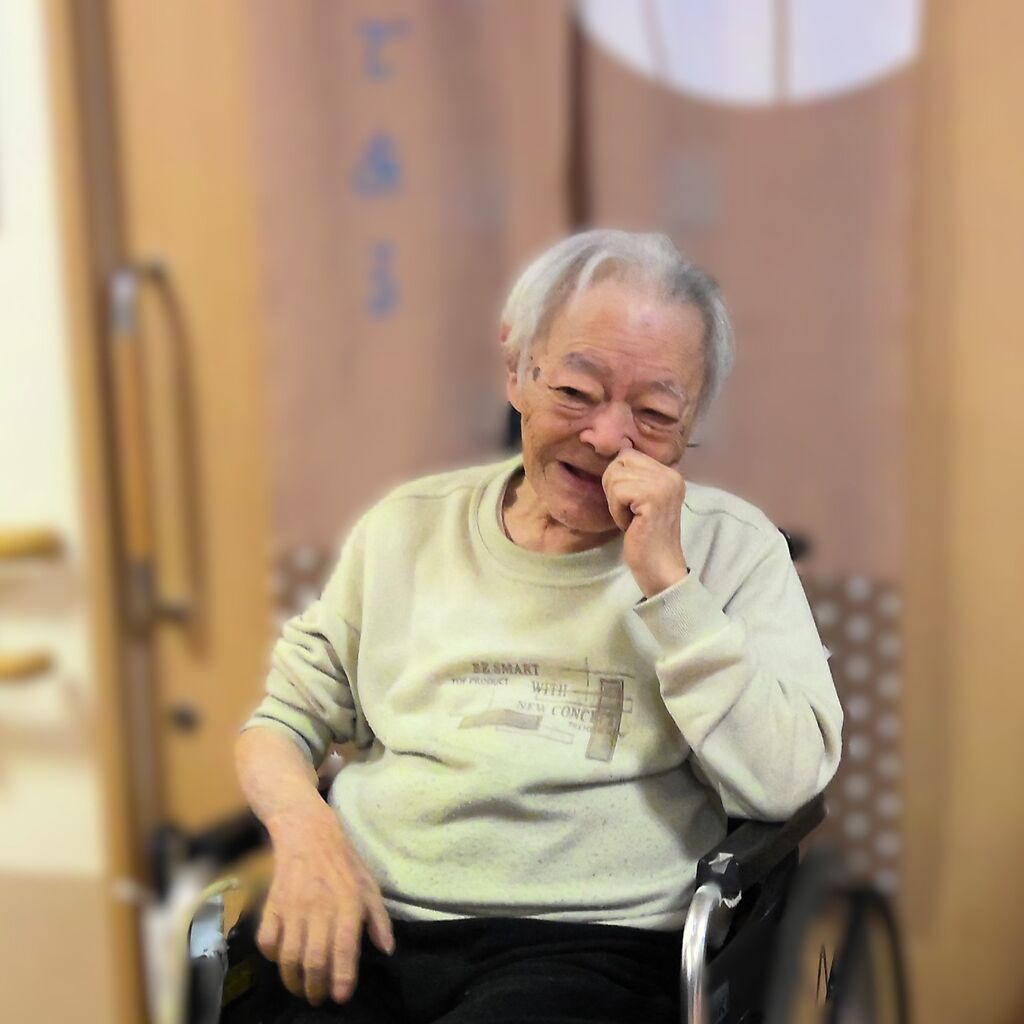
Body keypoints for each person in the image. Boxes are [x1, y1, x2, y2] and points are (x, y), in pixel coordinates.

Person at [236, 229, 843, 1023]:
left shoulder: (733, 548)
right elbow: (280, 725)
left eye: (656, 413)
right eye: (577, 392)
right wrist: (304, 833)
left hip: (588, 948)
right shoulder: (406, 529)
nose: (607, 438)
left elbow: (788, 781)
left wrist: (670, 586)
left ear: (693, 418)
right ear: (517, 370)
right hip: (367, 915)